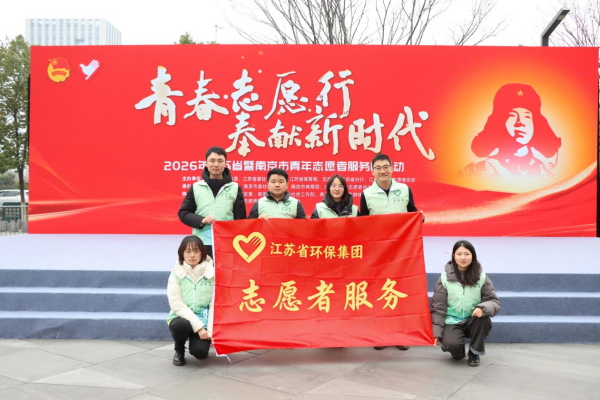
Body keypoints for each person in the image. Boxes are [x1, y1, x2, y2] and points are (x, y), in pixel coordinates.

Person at [359, 153, 421, 351]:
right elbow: (362, 223)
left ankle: (399, 335)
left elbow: (412, 212)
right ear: (372, 171)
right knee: (379, 292)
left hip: (402, 251)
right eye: (378, 168)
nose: (383, 171)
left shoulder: (404, 189)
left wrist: (420, 217)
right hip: (378, 253)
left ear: (392, 168)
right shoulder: (366, 194)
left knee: (399, 292)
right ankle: (381, 335)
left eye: (386, 167)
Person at [461, 83, 561, 177]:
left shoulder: (545, 174)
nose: (520, 122)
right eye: (512, 116)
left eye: (527, 116)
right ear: (500, 124)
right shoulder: (477, 171)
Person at [431, 240, 501, 367]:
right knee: (454, 349)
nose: (463, 258)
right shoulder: (444, 278)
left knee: (483, 319)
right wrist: (437, 333)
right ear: (453, 256)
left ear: (473, 255)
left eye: (467, 254)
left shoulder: (481, 277)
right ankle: (458, 349)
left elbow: (493, 301)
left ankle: (474, 352)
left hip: (473, 320)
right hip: (453, 321)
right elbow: (438, 307)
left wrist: (482, 308)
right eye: (459, 254)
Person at [178, 146, 246, 257]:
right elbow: (184, 213)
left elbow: (240, 220)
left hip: (226, 242)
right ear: (206, 163)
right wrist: (202, 220)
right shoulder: (196, 187)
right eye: (212, 160)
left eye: (220, 161)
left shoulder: (235, 188)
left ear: (225, 163)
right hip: (201, 242)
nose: (216, 164)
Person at [167, 235, 215, 366]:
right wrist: (199, 328)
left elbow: (214, 304)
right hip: (181, 317)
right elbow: (176, 304)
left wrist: (210, 331)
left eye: (196, 251)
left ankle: (198, 344)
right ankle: (179, 349)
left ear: (202, 253)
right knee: (180, 325)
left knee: (200, 353)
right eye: (188, 251)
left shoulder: (212, 274)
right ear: (182, 253)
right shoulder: (176, 274)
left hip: (203, 319)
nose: (192, 255)